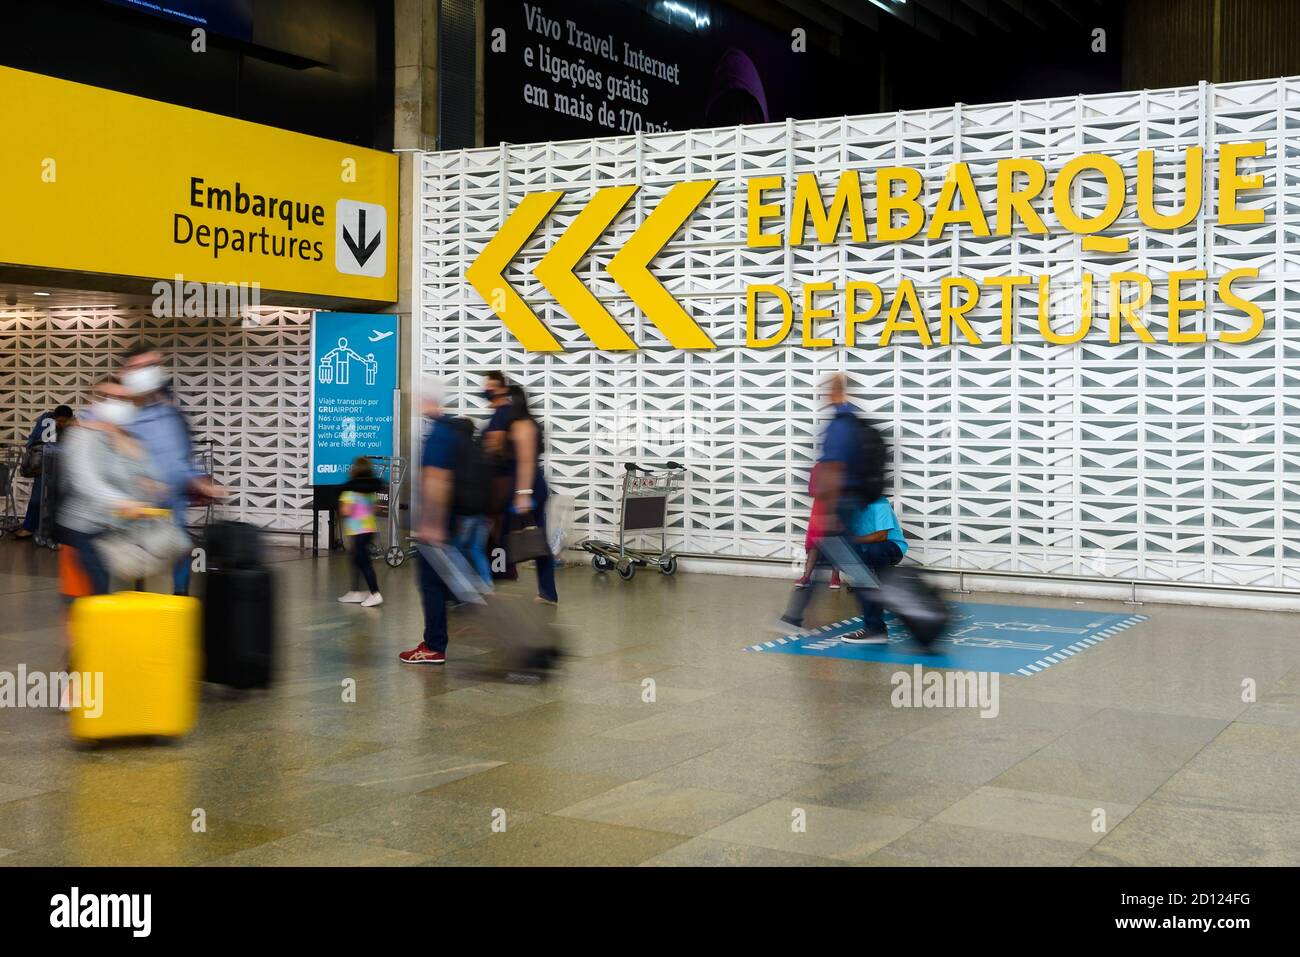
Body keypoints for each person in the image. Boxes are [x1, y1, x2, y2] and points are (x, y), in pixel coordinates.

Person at [774, 373, 890, 644]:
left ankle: (874, 627)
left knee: (851, 566)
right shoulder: (853, 420)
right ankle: (793, 618)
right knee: (834, 561)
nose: (824, 394)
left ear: (836, 392)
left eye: (828, 389)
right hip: (848, 500)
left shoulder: (840, 425)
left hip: (840, 502)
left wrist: (827, 509)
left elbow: (834, 468)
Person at [119, 344, 225, 595]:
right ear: (125, 371)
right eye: (140, 366)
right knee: (136, 570)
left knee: (179, 554)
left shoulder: (170, 413)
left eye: (151, 366)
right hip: (133, 510)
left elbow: (183, 456)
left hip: (171, 507)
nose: (147, 372)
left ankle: (179, 601)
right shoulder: (119, 415)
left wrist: (200, 481)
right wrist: (139, 479)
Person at [56, 379, 159, 595]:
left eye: (121, 398)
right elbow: (84, 480)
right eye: (107, 397)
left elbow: (144, 477)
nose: (115, 403)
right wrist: (120, 501)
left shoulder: (126, 435)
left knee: (120, 596)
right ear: (92, 401)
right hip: (86, 528)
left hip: (118, 530)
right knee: (101, 594)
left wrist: (148, 483)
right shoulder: (82, 434)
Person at [399, 379, 461, 665]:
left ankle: (434, 645)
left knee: (430, 584)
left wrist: (430, 525)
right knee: (444, 583)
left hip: (437, 525)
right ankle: (437, 639)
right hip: (453, 520)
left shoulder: (437, 434)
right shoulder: (451, 428)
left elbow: (437, 480)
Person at [504, 384, 557, 605]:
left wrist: (523, 494)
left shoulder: (522, 425)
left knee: (535, 539)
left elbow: (526, 462)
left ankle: (547, 592)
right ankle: (547, 592)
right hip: (529, 486)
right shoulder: (524, 424)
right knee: (536, 538)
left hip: (528, 487)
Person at [840, 495, 908, 641]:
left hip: (891, 547)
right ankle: (874, 628)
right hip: (865, 549)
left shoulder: (879, 502)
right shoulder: (851, 504)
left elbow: (881, 536)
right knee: (861, 577)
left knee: (875, 551)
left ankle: (885, 588)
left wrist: (853, 540)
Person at [14, 404, 73, 540]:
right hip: (49, 466)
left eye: (64, 421)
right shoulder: (48, 421)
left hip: (54, 467)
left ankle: (44, 530)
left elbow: (33, 440)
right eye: (59, 421)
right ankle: (32, 528)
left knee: (54, 500)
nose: (61, 424)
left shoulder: (66, 424)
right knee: (39, 498)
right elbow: (33, 441)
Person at [480, 370, 517, 579]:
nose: (487, 390)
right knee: (497, 526)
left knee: (496, 526)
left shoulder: (503, 413)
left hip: (499, 481)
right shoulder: (502, 413)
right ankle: (501, 569)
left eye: (492, 386)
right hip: (500, 479)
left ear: (502, 389)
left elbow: (495, 446)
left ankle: (499, 570)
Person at [337, 456, 385, 607]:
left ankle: (375, 593)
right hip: (368, 529)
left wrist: (340, 504)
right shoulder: (369, 491)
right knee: (356, 560)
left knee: (364, 562)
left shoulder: (349, 491)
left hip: (358, 531)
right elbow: (375, 508)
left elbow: (346, 510)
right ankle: (355, 591)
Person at [796, 461, 840, 590]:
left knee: (835, 542)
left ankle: (835, 577)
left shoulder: (844, 465)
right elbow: (811, 490)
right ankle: (806, 576)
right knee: (814, 542)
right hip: (820, 507)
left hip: (837, 506)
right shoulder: (819, 467)